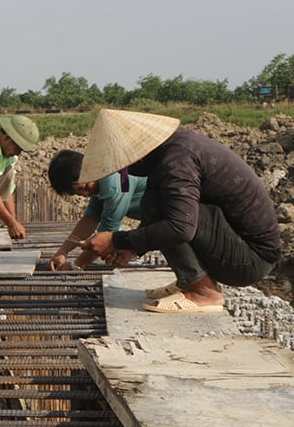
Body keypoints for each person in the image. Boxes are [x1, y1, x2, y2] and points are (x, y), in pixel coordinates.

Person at [78, 109, 280, 314]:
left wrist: (116, 241)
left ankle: (203, 292)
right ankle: (189, 281)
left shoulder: (176, 160)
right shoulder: (174, 148)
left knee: (161, 207)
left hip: (250, 260)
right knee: (156, 201)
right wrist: (133, 248)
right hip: (239, 249)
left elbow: (180, 228)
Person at [46, 149, 147, 271]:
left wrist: (76, 265)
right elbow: (91, 217)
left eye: (84, 187)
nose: (85, 194)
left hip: (167, 215)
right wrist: (63, 251)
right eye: (78, 193)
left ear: (88, 170)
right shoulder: (98, 181)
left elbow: (106, 236)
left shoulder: (112, 185)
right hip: (154, 217)